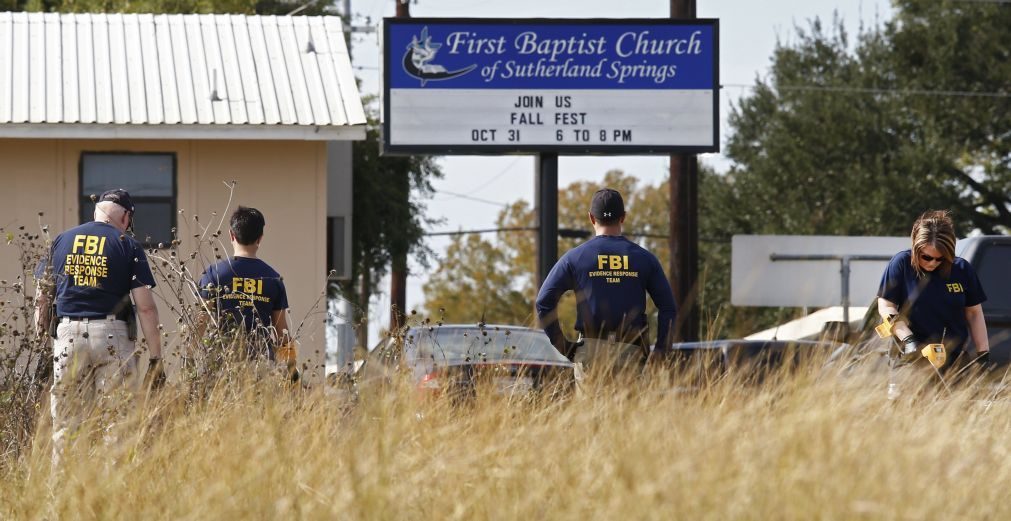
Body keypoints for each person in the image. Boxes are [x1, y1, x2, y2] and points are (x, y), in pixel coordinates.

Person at [33, 189, 163, 464]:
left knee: (66, 426)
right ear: (125, 216)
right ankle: (111, 497)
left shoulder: (62, 240)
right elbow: (146, 307)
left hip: (68, 335)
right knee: (114, 425)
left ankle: (61, 500)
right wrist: (155, 357)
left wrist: (44, 338)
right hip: (112, 336)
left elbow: (42, 297)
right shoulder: (127, 244)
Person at [535, 188, 677, 374]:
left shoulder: (575, 258)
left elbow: (543, 302)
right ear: (623, 217)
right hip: (632, 350)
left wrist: (564, 346)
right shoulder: (644, 258)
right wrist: (661, 350)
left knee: (591, 405)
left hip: (590, 351)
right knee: (629, 404)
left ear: (592, 218)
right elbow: (668, 307)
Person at [877, 210, 989, 376]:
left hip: (955, 361)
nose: (933, 263)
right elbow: (886, 307)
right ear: (916, 247)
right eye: (927, 257)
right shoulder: (901, 264)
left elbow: (974, 314)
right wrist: (909, 341)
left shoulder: (962, 269)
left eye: (940, 258)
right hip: (911, 358)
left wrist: (983, 355)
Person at [195, 206, 294, 378]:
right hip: (261, 366)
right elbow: (282, 333)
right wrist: (292, 372)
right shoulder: (273, 279)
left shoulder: (213, 274)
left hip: (221, 362)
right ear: (260, 238)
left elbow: (200, 323)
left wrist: (189, 360)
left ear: (231, 235)